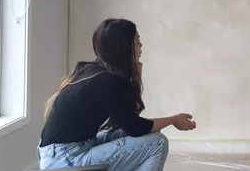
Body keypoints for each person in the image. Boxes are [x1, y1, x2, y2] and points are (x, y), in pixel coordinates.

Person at [38, 18, 197, 170]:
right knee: (157, 143)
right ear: (125, 47)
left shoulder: (90, 71)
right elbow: (136, 127)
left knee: (151, 132)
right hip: (66, 160)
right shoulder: (108, 82)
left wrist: (135, 75)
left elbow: (129, 121)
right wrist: (173, 120)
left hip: (60, 153)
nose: (141, 46)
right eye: (137, 41)